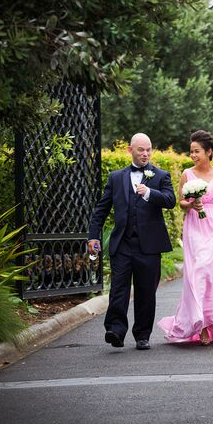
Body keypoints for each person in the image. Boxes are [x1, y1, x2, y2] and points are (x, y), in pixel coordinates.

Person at [158, 130, 213, 345]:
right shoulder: (187, 174)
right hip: (195, 226)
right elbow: (180, 202)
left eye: (197, 151)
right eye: (191, 152)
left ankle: (211, 320)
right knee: (199, 269)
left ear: (209, 152)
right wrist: (190, 204)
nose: (193, 155)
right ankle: (202, 324)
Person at [87, 133, 176, 350]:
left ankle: (142, 335)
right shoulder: (116, 177)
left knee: (146, 292)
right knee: (119, 289)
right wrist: (93, 236)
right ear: (130, 150)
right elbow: (101, 209)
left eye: (148, 149)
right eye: (140, 150)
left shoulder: (160, 175)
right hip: (123, 244)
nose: (145, 154)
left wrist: (149, 193)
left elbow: (170, 201)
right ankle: (115, 330)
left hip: (149, 246)